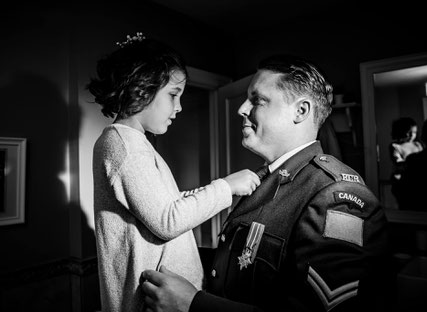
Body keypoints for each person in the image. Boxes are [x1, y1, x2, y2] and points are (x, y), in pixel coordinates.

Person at [140, 55, 392, 312]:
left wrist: (193, 305)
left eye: (257, 100)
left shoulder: (336, 195)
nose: (241, 109)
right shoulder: (268, 178)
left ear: (300, 111)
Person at [87, 33, 260, 312]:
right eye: (173, 94)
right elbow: (168, 221)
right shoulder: (123, 145)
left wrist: (222, 187)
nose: (179, 107)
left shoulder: (137, 144)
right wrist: (225, 187)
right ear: (141, 88)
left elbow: (167, 205)